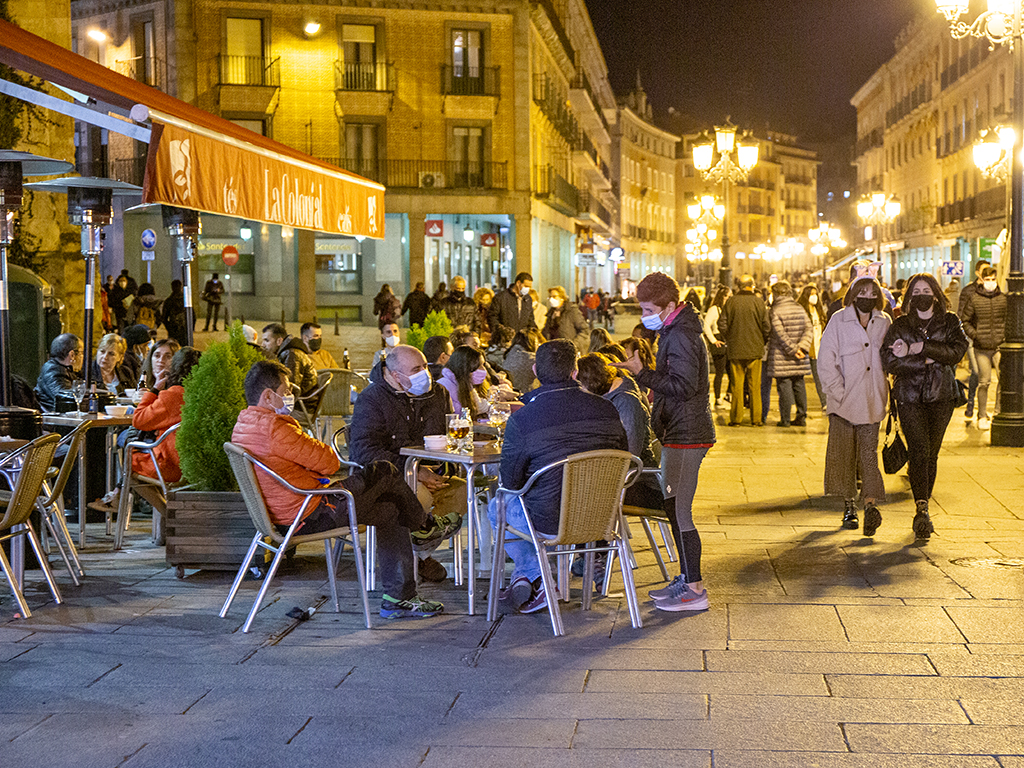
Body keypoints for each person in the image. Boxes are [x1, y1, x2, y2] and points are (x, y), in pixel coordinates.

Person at [233, 360, 456, 618]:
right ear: (268, 396)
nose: (290, 397)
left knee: (391, 510)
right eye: (286, 391)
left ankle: (399, 598)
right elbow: (329, 462)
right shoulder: (276, 428)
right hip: (312, 510)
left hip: (288, 513)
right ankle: (423, 526)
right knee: (385, 470)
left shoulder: (244, 425)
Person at [491, 340, 628, 614]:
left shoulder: (524, 419)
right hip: (602, 517)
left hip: (549, 521)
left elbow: (511, 482)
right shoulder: (607, 409)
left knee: (498, 504)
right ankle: (533, 577)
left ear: (534, 371)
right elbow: (622, 458)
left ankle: (536, 576)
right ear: (575, 371)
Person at [614, 272, 715, 613]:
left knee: (680, 510)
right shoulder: (675, 330)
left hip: (687, 433)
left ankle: (694, 589)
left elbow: (683, 386)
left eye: (647, 308)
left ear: (669, 305)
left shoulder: (682, 335)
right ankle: (686, 577)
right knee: (673, 506)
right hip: (678, 430)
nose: (644, 315)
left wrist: (642, 373)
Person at [348, 345, 466, 582]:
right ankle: (410, 564)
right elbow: (364, 451)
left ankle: (420, 554)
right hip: (390, 477)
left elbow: (448, 439)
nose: (425, 373)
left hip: (430, 470)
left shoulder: (438, 394)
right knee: (418, 496)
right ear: (394, 375)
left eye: (425, 366)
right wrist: (414, 472)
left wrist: (441, 469)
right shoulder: (372, 399)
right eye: (416, 369)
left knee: (460, 490)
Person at [881, 273, 969, 540]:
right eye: (916, 290)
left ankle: (924, 505)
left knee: (931, 453)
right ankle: (921, 508)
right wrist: (926, 361)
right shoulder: (900, 325)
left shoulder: (950, 321)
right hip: (909, 397)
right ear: (909, 296)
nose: (921, 294)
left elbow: (957, 351)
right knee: (919, 450)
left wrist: (920, 347)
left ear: (935, 293)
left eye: (926, 289)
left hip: (941, 396)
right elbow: (889, 361)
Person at [818, 276, 891, 533]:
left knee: (869, 455)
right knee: (844, 455)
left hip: (872, 401)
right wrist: (837, 392)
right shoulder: (839, 319)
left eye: (873, 293)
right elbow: (826, 359)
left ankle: (870, 505)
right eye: (862, 292)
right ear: (853, 294)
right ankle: (849, 505)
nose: (867, 297)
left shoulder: (884, 321)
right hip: (843, 403)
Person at [130, 347, 201, 487]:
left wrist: (155, 389)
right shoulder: (202, 394)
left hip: (169, 465)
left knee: (127, 460)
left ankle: (163, 508)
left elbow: (138, 419)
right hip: (196, 466)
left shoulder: (173, 395)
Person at [718, 275, 770, 426]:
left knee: (737, 385)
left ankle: (736, 418)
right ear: (752, 286)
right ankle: (756, 419)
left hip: (735, 349)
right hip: (755, 349)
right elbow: (766, 326)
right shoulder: (759, 302)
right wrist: (761, 341)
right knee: (755, 385)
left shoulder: (732, 301)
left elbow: (722, 323)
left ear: (739, 286)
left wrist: (730, 337)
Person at [960, 265, 1006, 430]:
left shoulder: (1003, 298)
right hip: (981, 347)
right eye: (988, 280)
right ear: (982, 280)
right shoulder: (975, 298)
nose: (991, 283)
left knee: (1004, 380)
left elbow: (1008, 319)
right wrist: (975, 334)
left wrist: (1005, 336)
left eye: (993, 279)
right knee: (984, 381)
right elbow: (964, 320)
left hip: (999, 345)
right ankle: (982, 415)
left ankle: (998, 411)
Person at [765, 281, 813, 427]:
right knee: (799, 384)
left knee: (784, 386)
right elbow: (808, 328)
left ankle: (785, 419)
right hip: (799, 356)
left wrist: (792, 349)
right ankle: (801, 416)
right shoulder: (799, 308)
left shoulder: (775, 310)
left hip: (782, 356)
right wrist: (802, 348)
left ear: (776, 294)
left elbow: (779, 334)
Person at [958, 260, 992, 425]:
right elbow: (962, 315)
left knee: (987, 376)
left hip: (990, 339)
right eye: (984, 271)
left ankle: (983, 411)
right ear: (978, 273)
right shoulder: (969, 291)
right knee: (977, 372)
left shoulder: (993, 290)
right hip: (973, 338)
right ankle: (970, 401)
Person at [261, 323, 318, 396]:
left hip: (302, 402)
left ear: (279, 341)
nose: (263, 345)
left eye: (266, 340)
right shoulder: (288, 352)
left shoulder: (291, 355)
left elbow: (291, 387)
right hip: (302, 399)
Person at [34, 333, 84, 412]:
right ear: (72, 355)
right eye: (82, 352)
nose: (83, 357)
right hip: (56, 420)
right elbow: (65, 398)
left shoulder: (66, 369)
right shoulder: (53, 370)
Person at [797, 284, 827, 410]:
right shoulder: (801, 310)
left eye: (815, 294)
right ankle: (798, 404)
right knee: (798, 378)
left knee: (819, 376)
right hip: (805, 348)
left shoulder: (819, 310)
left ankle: (824, 402)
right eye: (811, 294)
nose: (814, 297)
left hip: (818, 348)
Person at [438, 345, 490, 417]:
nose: (483, 370)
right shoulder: (446, 387)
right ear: (465, 368)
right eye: (478, 366)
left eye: (483, 365)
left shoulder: (466, 384)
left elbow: (478, 405)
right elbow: (459, 415)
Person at [703, 286, 731, 409]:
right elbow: (705, 324)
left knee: (731, 371)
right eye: (727, 296)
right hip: (719, 341)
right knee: (719, 371)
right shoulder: (714, 309)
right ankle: (718, 397)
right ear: (722, 297)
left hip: (729, 342)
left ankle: (729, 394)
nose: (729, 298)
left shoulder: (729, 308)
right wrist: (713, 340)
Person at [488, 272, 536, 337]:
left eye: (529, 287)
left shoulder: (528, 299)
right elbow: (492, 317)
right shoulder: (501, 297)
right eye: (526, 286)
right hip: (505, 338)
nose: (528, 289)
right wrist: (499, 334)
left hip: (521, 339)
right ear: (518, 283)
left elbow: (530, 319)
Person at [543, 285, 589, 353]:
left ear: (562, 298)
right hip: (553, 351)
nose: (551, 299)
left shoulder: (571, 311)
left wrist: (573, 345)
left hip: (568, 352)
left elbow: (584, 330)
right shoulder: (551, 313)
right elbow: (547, 331)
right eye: (550, 297)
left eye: (554, 296)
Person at [502, 328, 543, 393]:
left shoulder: (510, 353)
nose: (538, 345)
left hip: (508, 392)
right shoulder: (531, 359)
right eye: (537, 343)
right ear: (531, 343)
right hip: (524, 395)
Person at [163, 280, 189, 345]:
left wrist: (169, 328)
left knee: (173, 348)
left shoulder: (169, 300)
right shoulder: (186, 300)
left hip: (174, 329)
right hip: (183, 328)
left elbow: (164, 317)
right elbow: (192, 315)